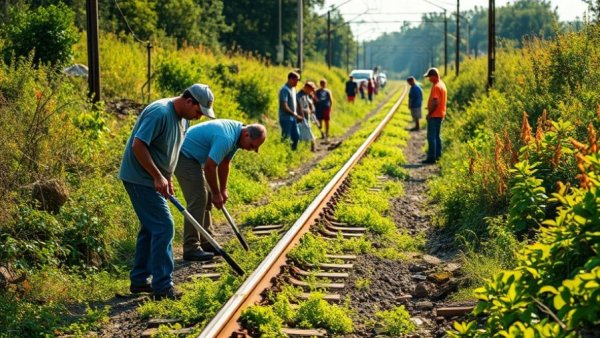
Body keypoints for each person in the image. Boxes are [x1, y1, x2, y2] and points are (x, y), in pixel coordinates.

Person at [119, 83, 215, 300]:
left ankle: (140, 279)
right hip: (139, 178)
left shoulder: (185, 118)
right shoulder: (160, 112)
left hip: (154, 178)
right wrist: (156, 176)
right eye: (199, 111)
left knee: (151, 228)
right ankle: (163, 286)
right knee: (164, 226)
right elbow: (138, 145)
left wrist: (167, 176)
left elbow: (169, 148)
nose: (200, 116)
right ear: (189, 101)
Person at [175, 120, 267, 261]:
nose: (252, 150)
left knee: (208, 196)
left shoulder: (237, 136)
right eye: (252, 146)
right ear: (247, 134)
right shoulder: (227, 138)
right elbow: (210, 167)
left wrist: (222, 190)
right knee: (199, 198)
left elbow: (224, 163)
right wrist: (217, 194)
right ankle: (191, 247)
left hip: (195, 158)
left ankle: (207, 242)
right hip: (183, 155)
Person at [423, 67, 447, 164]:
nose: (428, 79)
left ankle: (431, 158)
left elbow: (436, 102)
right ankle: (438, 156)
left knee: (431, 137)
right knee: (437, 136)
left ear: (434, 76)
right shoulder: (442, 84)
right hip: (440, 114)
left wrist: (429, 113)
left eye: (429, 77)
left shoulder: (436, 86)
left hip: (435, 115)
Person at [279, 71, 303, 151]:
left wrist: (299, 114)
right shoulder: (284, 90)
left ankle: (293, 153)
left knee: (296, 136)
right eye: (296, 80)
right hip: (286, 118)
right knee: (286, 137)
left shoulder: (293, 89)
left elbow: (297, 102)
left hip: (293, 118)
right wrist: (295, 115)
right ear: (290, 79)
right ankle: (283, 153)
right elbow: (284, 106)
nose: (297, 82)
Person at [297, 81, 318, 151]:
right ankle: (312, 149)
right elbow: (299, 108)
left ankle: (310, 148)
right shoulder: (299, 96)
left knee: (307, 134)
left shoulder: (305, 95)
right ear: (307, 88)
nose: (311, 92)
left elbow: (307, 106)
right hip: (301, 119)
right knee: (307, 135)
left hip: (306, 117)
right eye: (311, 90)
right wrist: (306, 111)